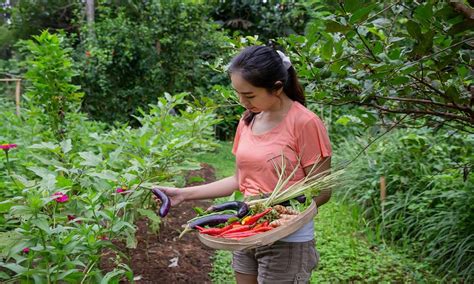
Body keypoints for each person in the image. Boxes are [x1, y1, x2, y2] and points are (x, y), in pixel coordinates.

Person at [158, 45, 332, 284]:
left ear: (277, 88)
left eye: (249, 95)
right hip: (246, 229)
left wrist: (278, 211)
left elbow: (321, 190)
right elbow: (239, 181)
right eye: (238, 94)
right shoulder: (248, 120)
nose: (242, 102)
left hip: (286, 239)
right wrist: (182, 194)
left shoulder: (305, 123)